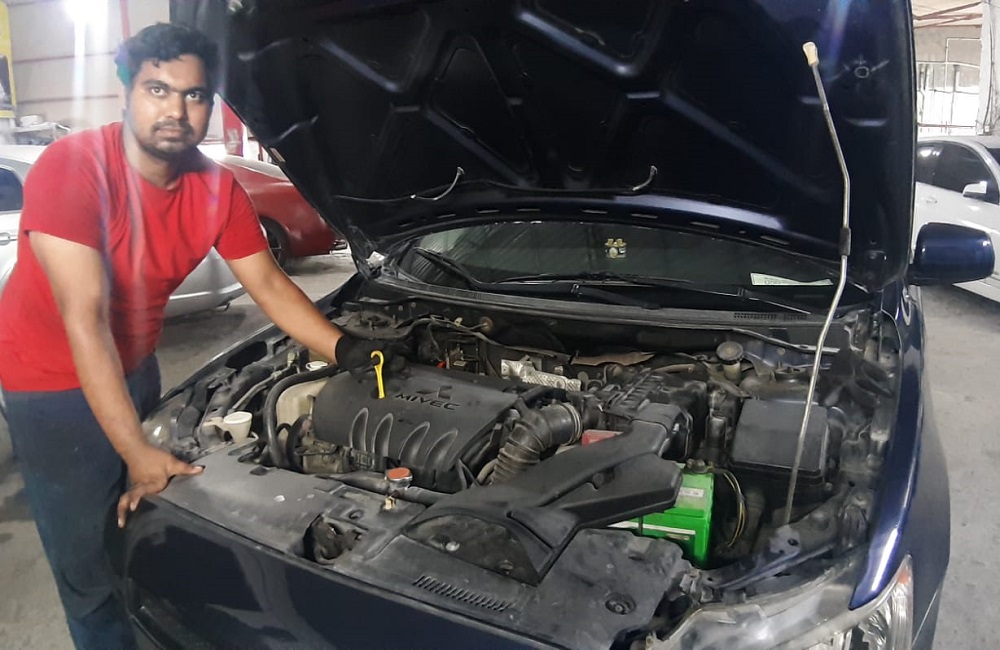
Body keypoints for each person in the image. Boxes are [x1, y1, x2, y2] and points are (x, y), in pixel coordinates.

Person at [0, 23, 392, 650]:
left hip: (135, 364)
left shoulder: (215, 188)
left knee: (142, 521)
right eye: (158, 89)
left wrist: (344, 349)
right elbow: (85, 319)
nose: (177, 111)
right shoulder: (73, 168)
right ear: (125, 91)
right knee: (87, 566)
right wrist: (135, 450)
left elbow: (269, 285)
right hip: (48, 383)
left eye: (195, 95)